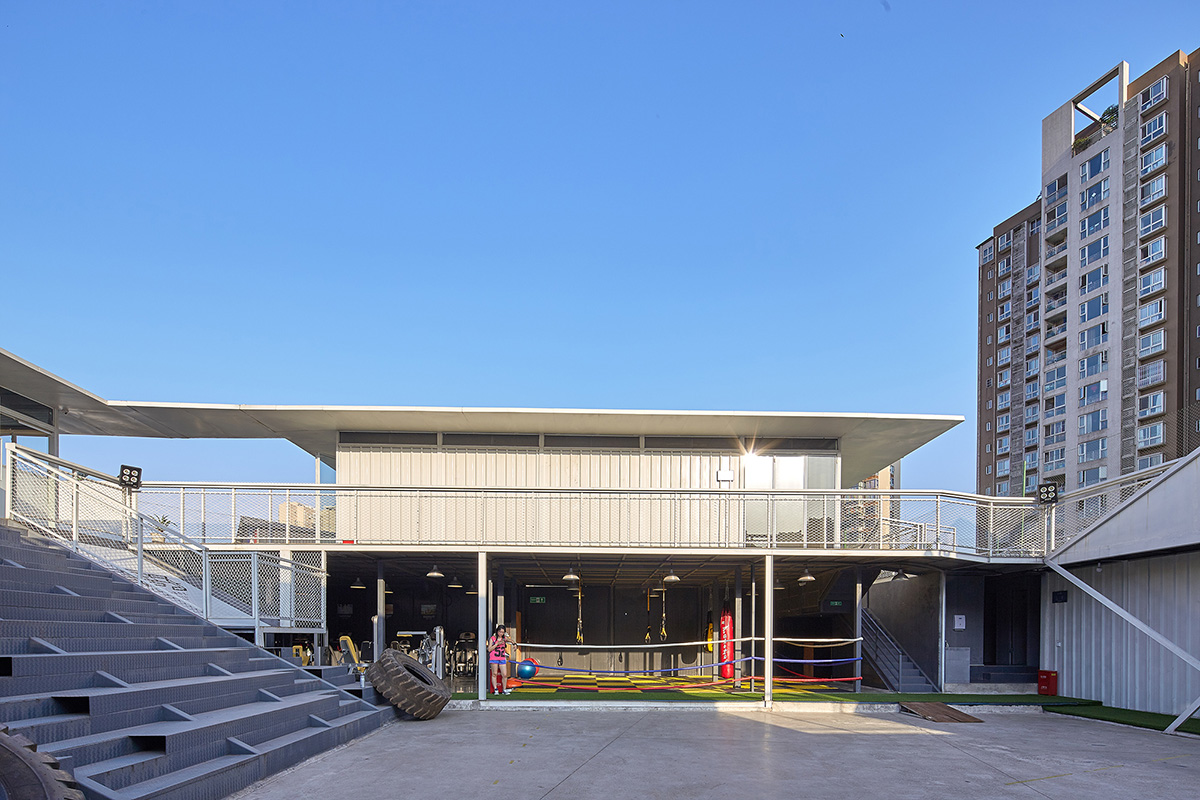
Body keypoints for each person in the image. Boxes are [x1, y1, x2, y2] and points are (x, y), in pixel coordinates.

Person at [487, 623, 512, 695]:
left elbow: (511, 640)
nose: (501, 633)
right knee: (494, 673)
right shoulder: (493, 638)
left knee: (504, 674)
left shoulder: (504, 639)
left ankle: (504, 689)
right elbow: (489, 649)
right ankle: (495, 689)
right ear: (497, 631)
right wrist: (497, 644)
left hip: (502, 658)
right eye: (500, 632)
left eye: (502, 632)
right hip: (494, 657)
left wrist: (514, 644)